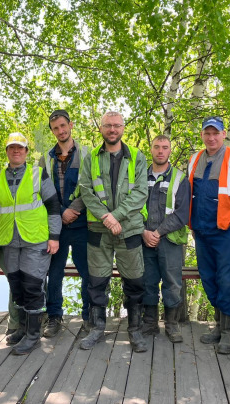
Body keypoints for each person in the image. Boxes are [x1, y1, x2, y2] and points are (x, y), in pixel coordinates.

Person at [78, 111, 149, 353]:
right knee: (97, 281)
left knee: (135, 281)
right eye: (108, 125)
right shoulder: (91, 158)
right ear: (101, 128)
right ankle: (97, 329)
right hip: (98, 229)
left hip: (128, 229)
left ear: (123, 128)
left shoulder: (137, 157)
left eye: (117, 125)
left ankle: (135, 330)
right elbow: (86, 191)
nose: (112, 129)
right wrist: (107, 219)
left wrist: (115, 216)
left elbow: (140, 193)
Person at [0, 132, 61, 355]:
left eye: (20, 148)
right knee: (16, 287)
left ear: (26, 152)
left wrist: (54, 237)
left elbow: (54, 207)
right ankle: (22, 328)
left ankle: (33, 336)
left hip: (36, 240)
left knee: (32, 287)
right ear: (7, 152)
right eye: (11, 148)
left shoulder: (38, 174)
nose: (16, 151)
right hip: (8, 241)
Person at [188, 116, 230, 354]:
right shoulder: (194, 159)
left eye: (216, 133)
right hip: (201, 232)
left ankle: (228, 333)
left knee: (227, 282)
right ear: (203, 135)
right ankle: (218, 326)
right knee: (208, 279)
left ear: (224, 134)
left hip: (226, 233)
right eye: (207, 133)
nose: (211, 137)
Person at [39, 109, 91, 337]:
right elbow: (41, 191)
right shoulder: (45, 159)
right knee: (54, 273)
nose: (60, 131)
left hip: (82, 225)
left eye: (63, 125)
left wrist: (74, 209)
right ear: (52, 131)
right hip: (56, 226)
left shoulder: (88, 154)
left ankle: (89, 317)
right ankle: (54, 317)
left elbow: (92, 188)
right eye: (55, 128)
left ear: (70, 125)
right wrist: (61, 212)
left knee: (87, 272)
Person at [140, 135, 190, 343]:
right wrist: (144, 231)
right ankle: (150, 323)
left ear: (170, 151)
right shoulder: (140, 176)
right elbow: (132, 207)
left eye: (165, 148)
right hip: (144, 239)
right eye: (157, 147)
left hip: (169, 240)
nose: (160, 151)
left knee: (172, 283)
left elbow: (182, 213)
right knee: (147, 281)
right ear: (150, 150)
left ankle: (172, 325)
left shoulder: (180, 178)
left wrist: (158, 233)